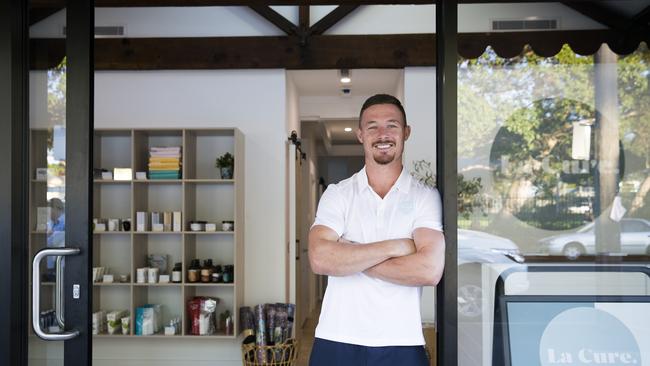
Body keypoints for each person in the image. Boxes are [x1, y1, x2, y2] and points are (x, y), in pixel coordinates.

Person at [308, 94, 445, 366]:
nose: (382, 134)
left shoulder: (425, 197)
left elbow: (428, 270)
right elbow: (320, 258)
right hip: (336, 337)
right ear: (360, 134)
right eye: (372, 126)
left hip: (401, 341)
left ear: (406, 132)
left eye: (392, 125)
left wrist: (350, 255)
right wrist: (397, 246)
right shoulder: (338, 194)